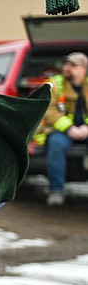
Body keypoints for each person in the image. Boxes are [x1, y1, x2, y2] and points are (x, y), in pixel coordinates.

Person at [37, 51, 88, 206]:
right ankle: (56, 190)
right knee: (56, 145)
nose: (67, 67)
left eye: (73, 65)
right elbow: (48, 109)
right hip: (62, 131)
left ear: (83, 69)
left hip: (85, 130)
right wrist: (69, 128)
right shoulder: (54, 83)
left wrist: (86, 127)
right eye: (66, 64)